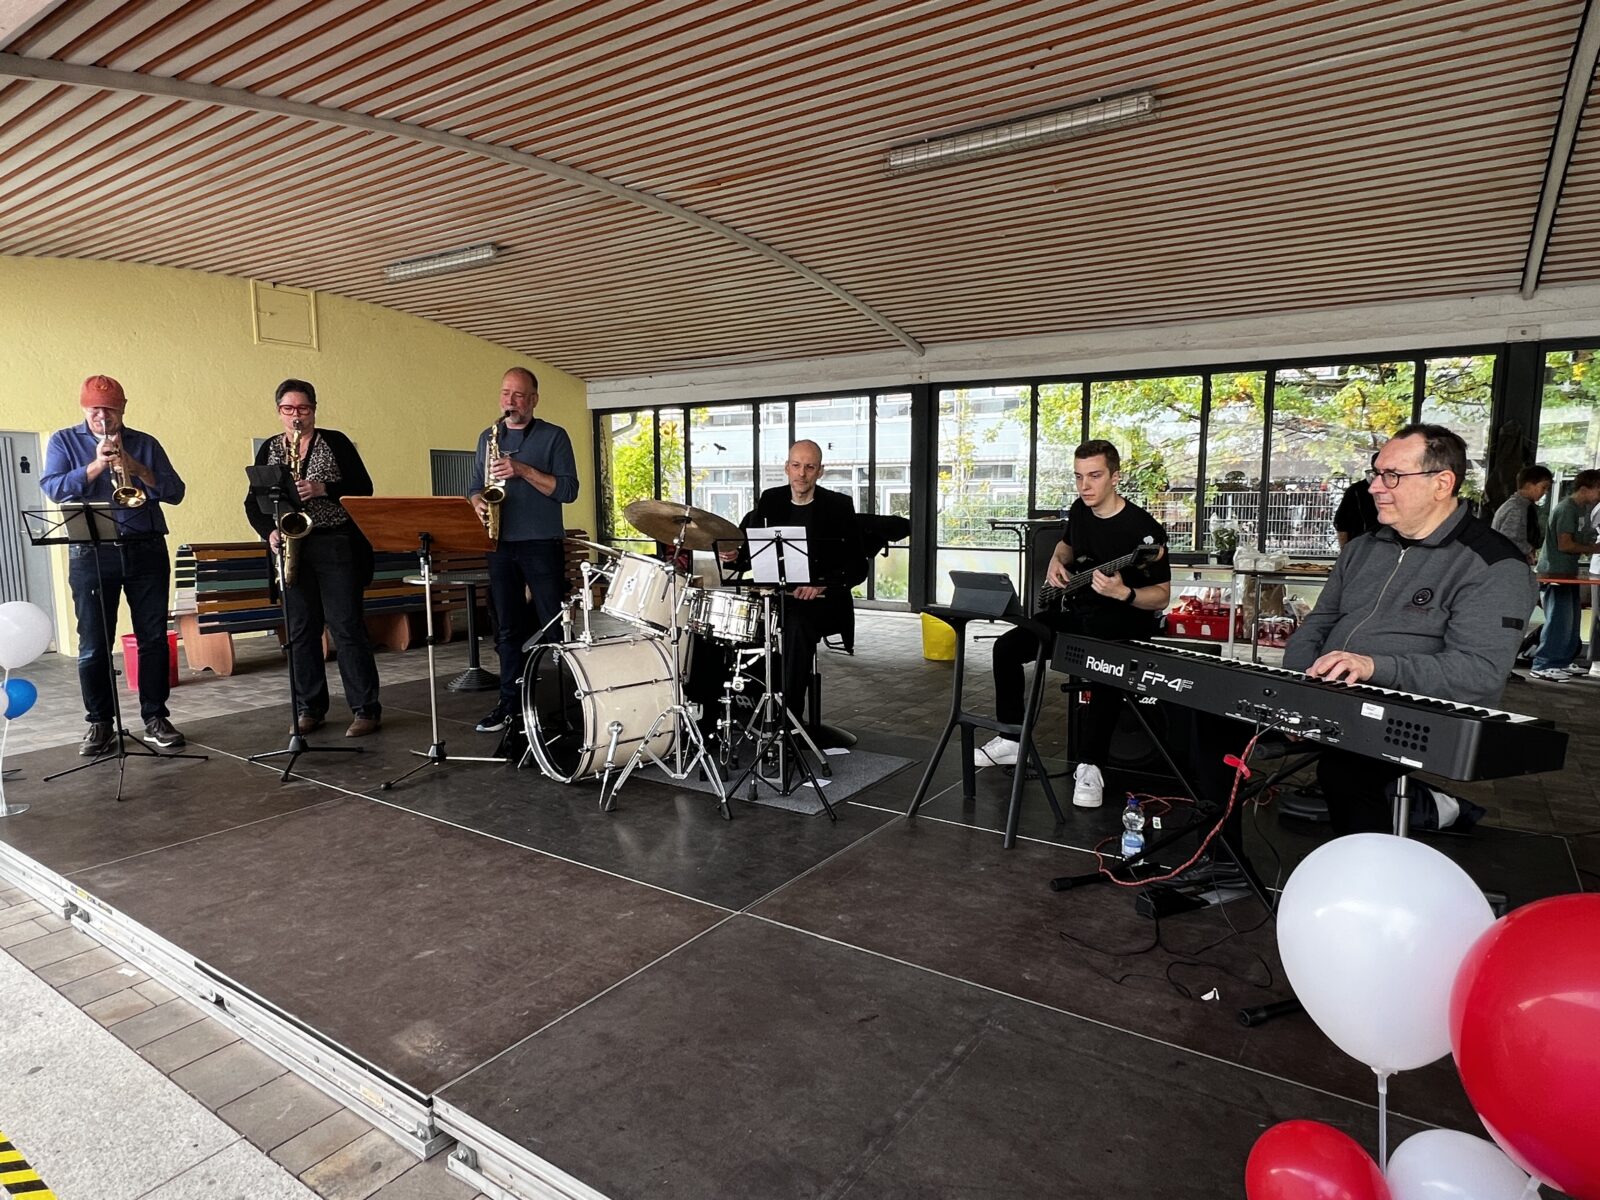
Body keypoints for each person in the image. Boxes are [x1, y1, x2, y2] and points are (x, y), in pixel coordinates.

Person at [1279, 423, 1534, 833]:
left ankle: (1374, 868)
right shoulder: (1362, 548)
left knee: (1344, 773)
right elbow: (1318, 624)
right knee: (1197, 722)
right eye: (1376, 473)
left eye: (1392, 475)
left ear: (1442, 483)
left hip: (1418, 714)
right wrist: (1296, 693)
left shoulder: (1494, 565)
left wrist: (1373, 667)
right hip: (1329, 698)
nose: (1375, 487)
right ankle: (1220, 860)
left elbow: (1479, 673)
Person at [975, 439, 1170, 810]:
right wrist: (1056, 561)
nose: (1085, 486)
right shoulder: (1081, 510)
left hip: (1122, 621)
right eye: (1079, 477)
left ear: (1115, 477)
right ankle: (1012, 739)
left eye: (1094, 476)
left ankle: (1090, 766)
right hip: (1077, 611)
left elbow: (1161, 596)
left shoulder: (1145, 531)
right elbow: (1067, 545)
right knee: (1007, 647)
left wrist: (1124, 592)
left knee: (1104, 669)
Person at [41, 375, 188, 755]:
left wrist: (137, 469)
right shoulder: (63, 441)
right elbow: (53, 488)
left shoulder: (145, 443)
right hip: (91, 552)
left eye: (109, 409)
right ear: (84, 408)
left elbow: (176, 492)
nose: (102, 417)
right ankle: (100, 723)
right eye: (95, 409)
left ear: (123, 408)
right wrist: (94, 466)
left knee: (153, 639)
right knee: (93, 644)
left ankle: (156, 717)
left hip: (146, 548)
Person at [244, 380, 383, 737]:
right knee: (301, 631)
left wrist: (323, 489)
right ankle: (309, 708)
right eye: (288, 409)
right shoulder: (270, 450)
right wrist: (269, 532)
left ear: (314, 410)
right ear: (279, 412)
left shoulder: (335, 442)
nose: (297, 416)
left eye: (303, 409)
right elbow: (253, 502)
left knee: (346, 626)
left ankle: (365, 709)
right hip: (293, 546)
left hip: (335, 542)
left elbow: (364, 489)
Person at [719, 440, 864, 726]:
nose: (802, 473)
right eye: (796, 465)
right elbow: (750, 548)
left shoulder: (838, 506)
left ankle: (789, 718)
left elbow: (858, 566)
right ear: (787, 468)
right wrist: (736, 555)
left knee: (796, 625)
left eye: (809, 467)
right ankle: (736, 711)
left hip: (822, 601)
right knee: (733, 621)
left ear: (820, 471)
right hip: (776, 596)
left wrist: (822, 584)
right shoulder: (770, 500)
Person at [470, 368, 580, 734]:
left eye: (518, 395)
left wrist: (522, 470)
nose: (510, 401)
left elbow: (568, 490)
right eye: (505, 393)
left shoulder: (554, 436)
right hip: (499, 542)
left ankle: (569, 703)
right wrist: (477, 502)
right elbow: (474, 486)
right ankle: (510, 704)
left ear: (533, 399)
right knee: (506, 629)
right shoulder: (488, 437)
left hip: (541, 542)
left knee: (555, 626)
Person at [1530, 469, 1600, 681]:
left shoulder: (1581, 509)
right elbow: (1565, 544)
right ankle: (1544, 663)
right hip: (1555, 571)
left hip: (1568, 571)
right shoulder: (1567, 509)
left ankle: (1563, 659)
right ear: (1584, 488)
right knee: (1559, 620)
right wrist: (1594, 548)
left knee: (1572, 619)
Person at [1490, 464, 1553, 565]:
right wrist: (1528, 550)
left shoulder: (1518, 505)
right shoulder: (1517, 508)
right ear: (1529, 485)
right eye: (1543, 487)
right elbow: (1509, 538)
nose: (1545, 492)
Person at [1333, 454, 1381, 546]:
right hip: (1362, 546)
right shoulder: (1355, 491)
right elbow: (1341, 525)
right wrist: (1346, 552)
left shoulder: (1355, 490)